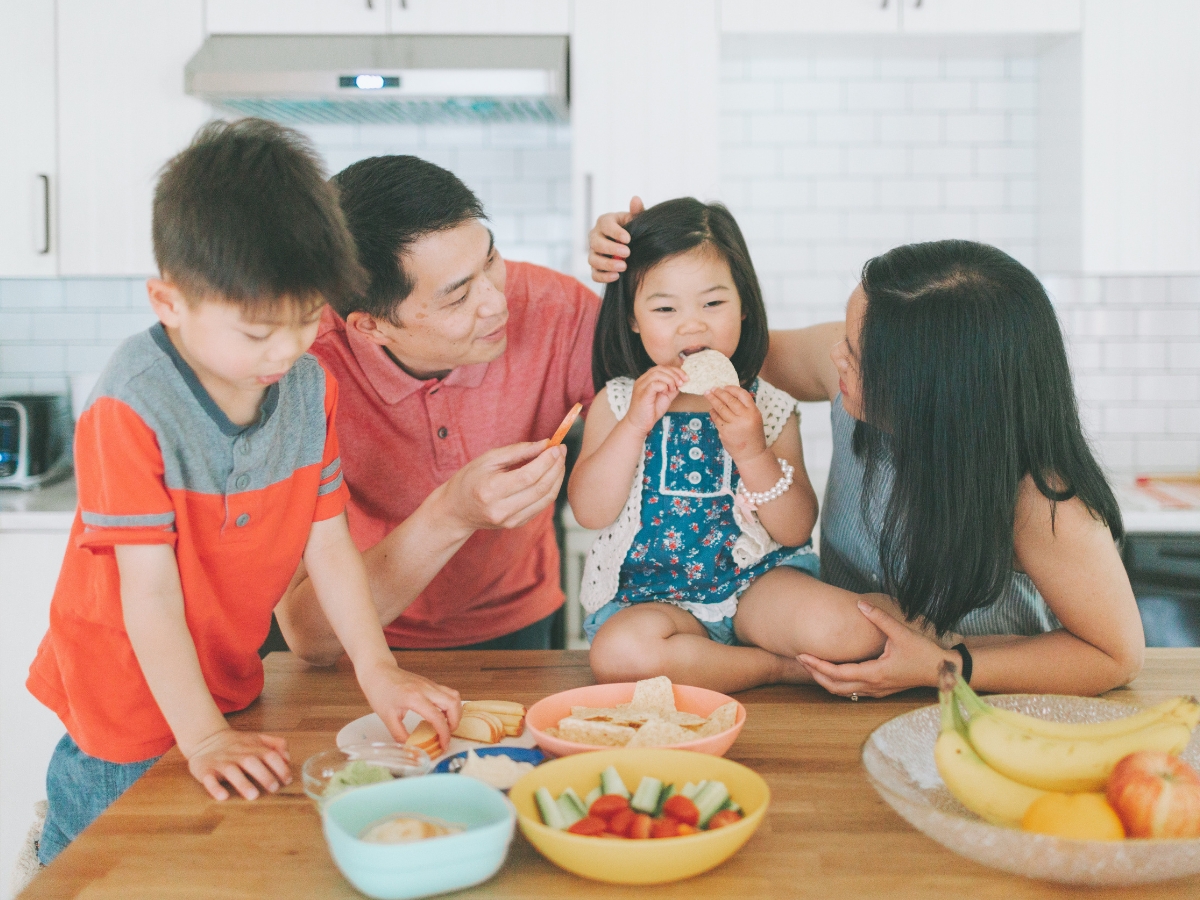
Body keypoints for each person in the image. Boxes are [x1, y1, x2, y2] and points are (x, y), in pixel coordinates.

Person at [26, 120, 461, 865]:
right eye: (259, 331)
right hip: (124, 708)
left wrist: (376, 666)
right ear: (169, 301)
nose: (287, 350)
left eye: (304, 321)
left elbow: (329, 543)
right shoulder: (130, 407)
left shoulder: (305, 387)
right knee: (98, 869)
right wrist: (201, 738)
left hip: (227, 685)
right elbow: (150, 598)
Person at [590, 201, 1145, 697]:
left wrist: (944, 667)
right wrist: (627, 259)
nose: (834, 358)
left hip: (980, 708)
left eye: (855, 354)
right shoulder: (847, 373)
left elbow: (1115, 657)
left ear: (932, 393)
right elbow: (703, 341)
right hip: (839, 681)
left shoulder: (1042, 499)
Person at [571, 198, 918, 695]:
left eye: (713, 304)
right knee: (618, 654)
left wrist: (753, 451)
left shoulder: (770, 405)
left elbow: (796, 526)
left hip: (758, 585)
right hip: (657, 600)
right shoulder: (619, 400)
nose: (692, 326)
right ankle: (778, 668)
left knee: (854, 628)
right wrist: (631, 428)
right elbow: (590, 511)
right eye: (665, 309)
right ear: (632, 319)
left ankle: (734, 658)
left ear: (745, 305)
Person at [274, 156, 599, 661]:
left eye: (490, 260)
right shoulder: (301, 371)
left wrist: (649, 271)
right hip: (362, 642)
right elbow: (308, 637)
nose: (496, 302)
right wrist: (453, 513)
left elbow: (675, 388)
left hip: (521, 618)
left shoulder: (557, 308)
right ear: (370, 327)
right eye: (457, 298)